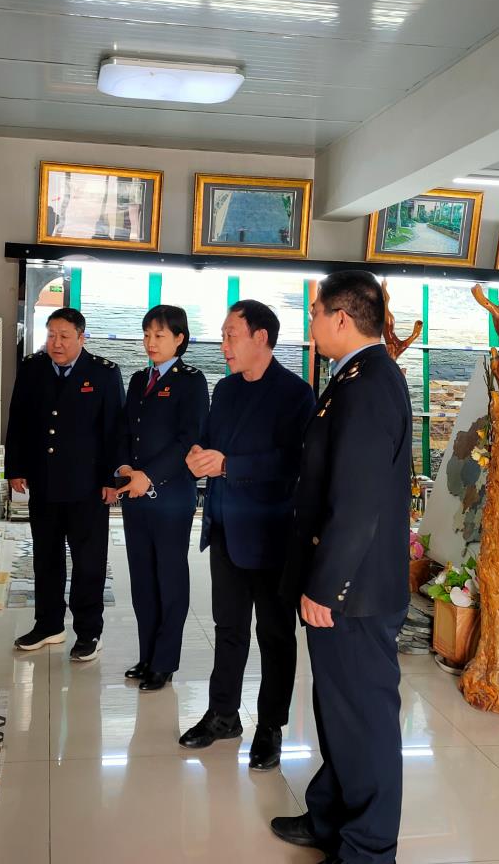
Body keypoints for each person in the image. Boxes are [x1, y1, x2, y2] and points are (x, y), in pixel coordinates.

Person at [270, 271, 412, 864]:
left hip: (354, 591)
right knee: (338, 711)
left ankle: (369, 848)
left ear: (341, 318)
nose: (311, 324)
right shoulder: (353, 376)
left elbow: (357, 505)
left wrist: (327, 587)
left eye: (314, 313)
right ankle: (331, 816)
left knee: (364, 719)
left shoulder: (370, 383)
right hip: (344, 583)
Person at [180, 300, 315, 771]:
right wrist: (198, 455)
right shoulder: (225, 389)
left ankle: (271, 726)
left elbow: (293, 463)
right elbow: (208, 441)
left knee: (275, 634)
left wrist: (229, 466)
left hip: (271, 535)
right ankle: (223, 714)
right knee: (228, 628)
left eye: (230, 335)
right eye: (222, 335)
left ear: (261, 337)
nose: (224, 345)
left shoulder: (296, 394)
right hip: (224, 528)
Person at [5, 307, 125, 662]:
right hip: (44, 482)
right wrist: (15, 468)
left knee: (88, 562)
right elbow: (18, 421)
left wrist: (112, 480)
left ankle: (88, 632)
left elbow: (114, 430)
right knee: (45, 556)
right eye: (51, 335)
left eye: (64, 336)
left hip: (88, 486)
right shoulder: (33, 369)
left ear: (81, 338)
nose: (55, 343)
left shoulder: (103, 373)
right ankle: (49, 625)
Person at [116, 304, 209, 692]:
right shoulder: (140, 379)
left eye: (159, 335)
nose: (150, 342)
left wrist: (148, 475)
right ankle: (147, 655)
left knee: (169, 577)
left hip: (170, 496)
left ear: (179, 339)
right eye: (146, 334)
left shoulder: (191, 381)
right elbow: (126, 429)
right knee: (142, 579)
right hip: (134, 494)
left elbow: (188, 439)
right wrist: (123, 467)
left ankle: (165, 662)